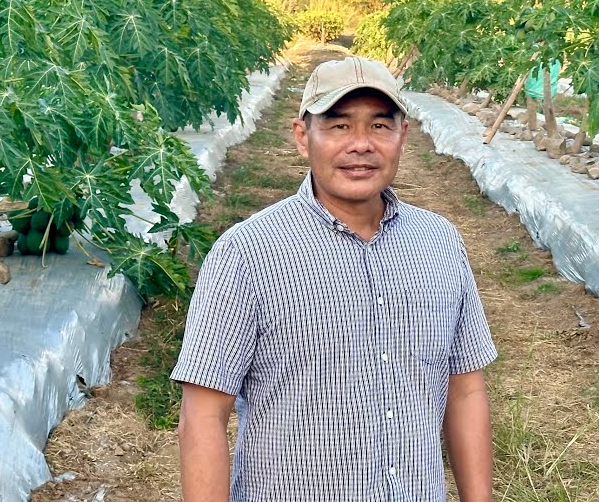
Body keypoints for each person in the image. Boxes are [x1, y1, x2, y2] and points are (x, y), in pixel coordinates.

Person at [171, 55, 498, 502]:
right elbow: (204, 415)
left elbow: (464, 389)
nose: (361, 144)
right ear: (303, 137)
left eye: (380, 126)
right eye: (339, 126)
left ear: (404, 135)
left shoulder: (440, 243)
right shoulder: (247, 254)